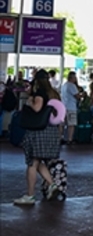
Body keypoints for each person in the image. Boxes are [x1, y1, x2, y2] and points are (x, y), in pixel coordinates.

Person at [13, 71, 60, 205]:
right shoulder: (54, 93)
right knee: (38, 161)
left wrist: (29, 101)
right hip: (50, 130)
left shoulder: (39, 93)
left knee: (32, 163)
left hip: (38, 131)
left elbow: (37, 108)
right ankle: (52, 185)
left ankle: (30, 195)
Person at [60, 71, 82, 145]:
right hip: (71, 107)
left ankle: (60, 137)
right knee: (71, 124)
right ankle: (70, 139)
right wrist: (82, 95)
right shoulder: (72, 85)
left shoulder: (64, 85)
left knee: (62, 124)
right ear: (73, 78)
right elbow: (77, 96)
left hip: (63, 106)